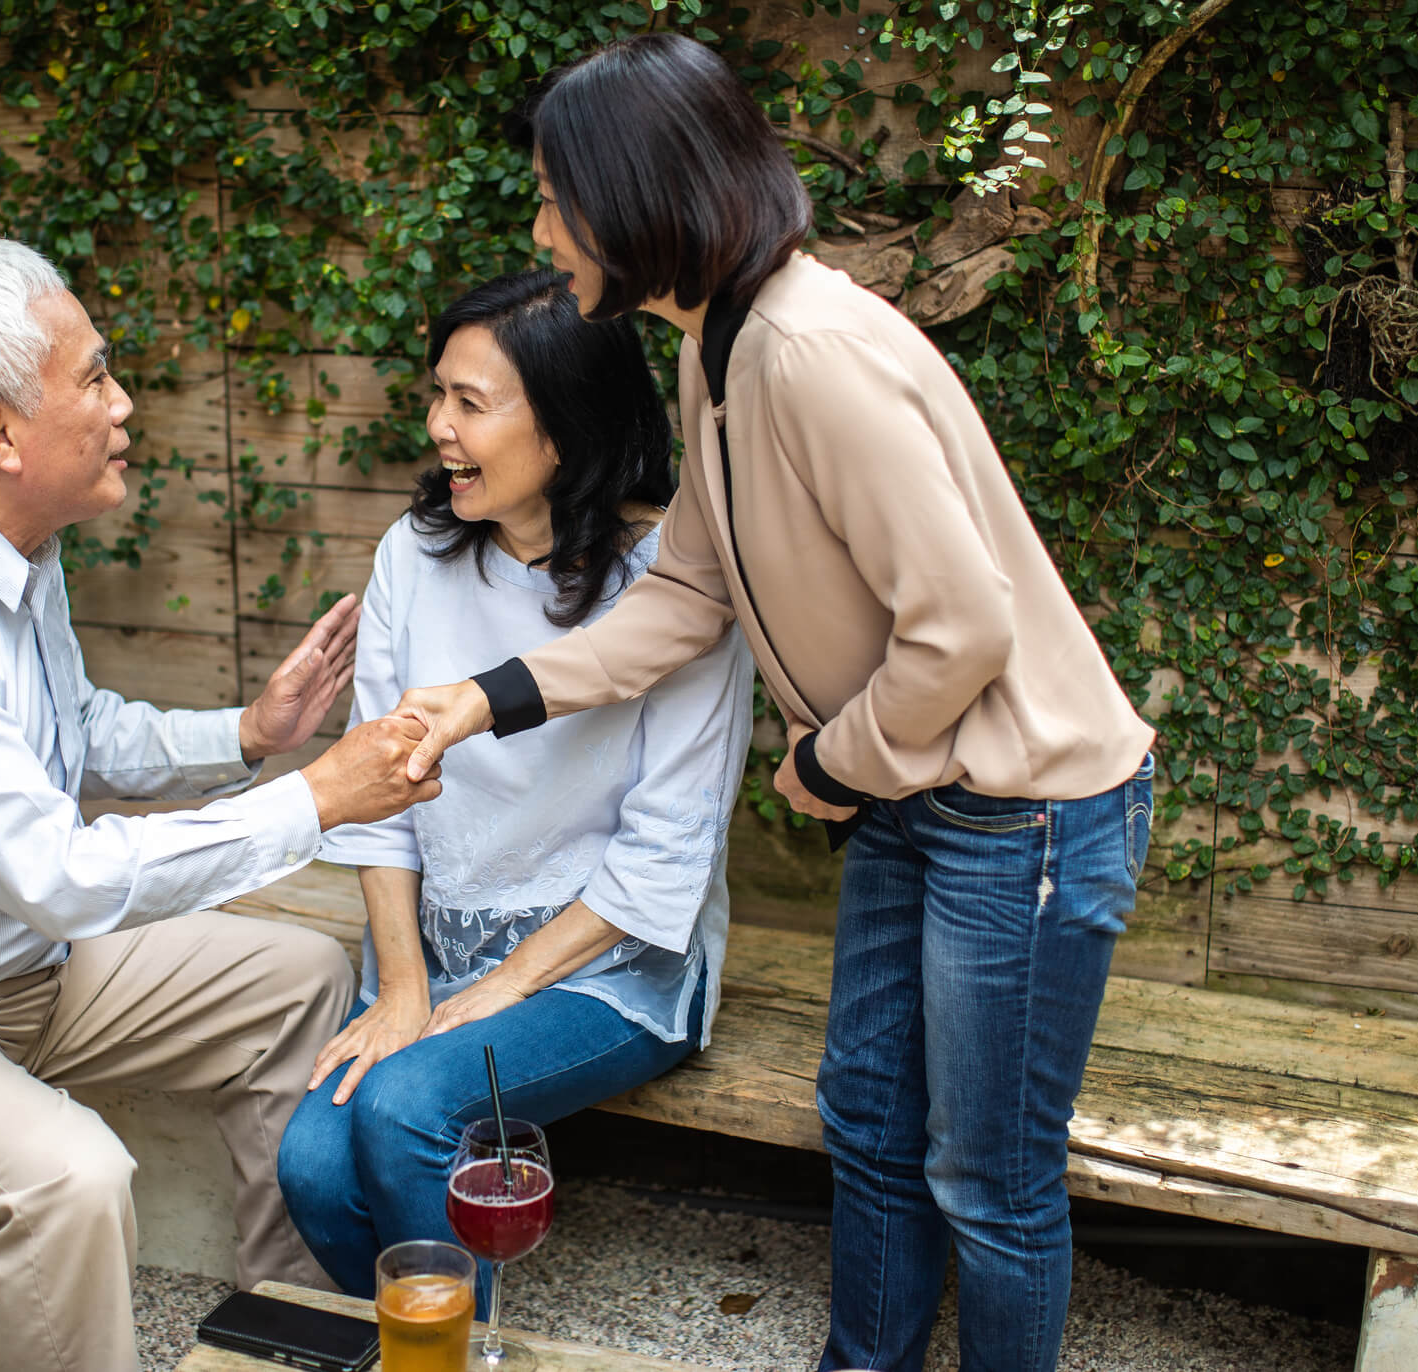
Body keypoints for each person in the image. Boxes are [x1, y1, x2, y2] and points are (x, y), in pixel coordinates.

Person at [391, 35, 1157, 1372]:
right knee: (866, 1119)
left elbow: (963, 625)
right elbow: (689, 588)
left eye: (553, 197)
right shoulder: (724, 345)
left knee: (990, 1182)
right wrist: (485, 697)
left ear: (635, 198)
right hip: (924, 794)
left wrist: (836, 765)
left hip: (1023, 816)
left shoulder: (811, 354)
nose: (539, 229)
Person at [0, 237, 441, 1372]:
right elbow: (58, 870)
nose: (123, 406)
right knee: (72, 1178)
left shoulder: (15, 546)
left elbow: (75, 734)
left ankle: (280, 1334)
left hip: (22, 967)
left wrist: (249, 738)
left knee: (298, 982)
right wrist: (315, 796)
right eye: (96, 377)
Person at [274, 270, 754, 1304]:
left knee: (404, 1110)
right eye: (438, 393)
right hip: (433, 949)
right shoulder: (414, 554)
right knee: (310, 1165)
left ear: (567, 431)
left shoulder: (677, 582)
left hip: (610, 967)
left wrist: (498, 988)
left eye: (471, 403)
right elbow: (377, 792)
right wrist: (408, 985)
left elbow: (664, 850)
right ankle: (433, 1342)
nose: (439, 427)